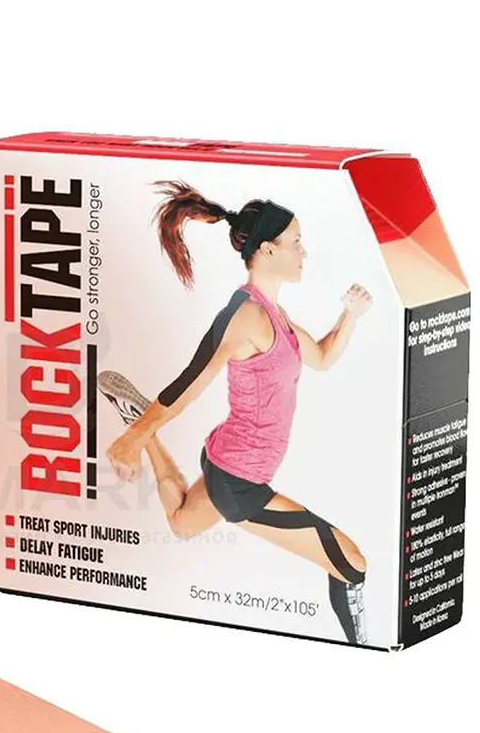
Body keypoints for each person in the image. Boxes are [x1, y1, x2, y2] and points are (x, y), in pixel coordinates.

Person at [100, 182, 373, 644]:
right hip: (240, 483)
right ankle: (363, 651)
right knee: (351, 564)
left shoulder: (276, 315)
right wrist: (128, 441)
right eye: (296, 242)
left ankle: (148, 436)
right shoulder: (245, 316)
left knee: (182, 524)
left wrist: (350, 315)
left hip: (226, 459)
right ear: (267, 250)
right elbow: (192, 380)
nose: (304, 252)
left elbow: (323, 357)